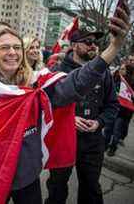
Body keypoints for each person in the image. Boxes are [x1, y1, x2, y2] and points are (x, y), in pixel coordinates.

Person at [0, 4, 131, 204]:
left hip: (27, 178)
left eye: (17, 47)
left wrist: (114, 48)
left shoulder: (37, 84)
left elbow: (75, 83)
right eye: (5, 47)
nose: (12, 52)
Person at [45, 25, 121, 204]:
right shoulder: (57, 71)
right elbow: (46, 107)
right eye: (87, 41)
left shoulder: (102, 73)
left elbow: (112, 106)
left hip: (92, 143)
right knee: (57, 188)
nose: (93, 45)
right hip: (63, 140)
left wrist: (99, 122)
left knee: (91, 188)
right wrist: (68, 119)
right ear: (74, 44)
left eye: (95, 42)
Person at [107, 62, 134, 156]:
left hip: (123, 113)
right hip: (113, 110)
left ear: (128, 71)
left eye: (123, 69)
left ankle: (113, 148)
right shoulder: (116, 78)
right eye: (120, 68)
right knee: (107, 130)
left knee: (116, 132)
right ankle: (104, 146)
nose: (120, 70)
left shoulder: (131, 83)